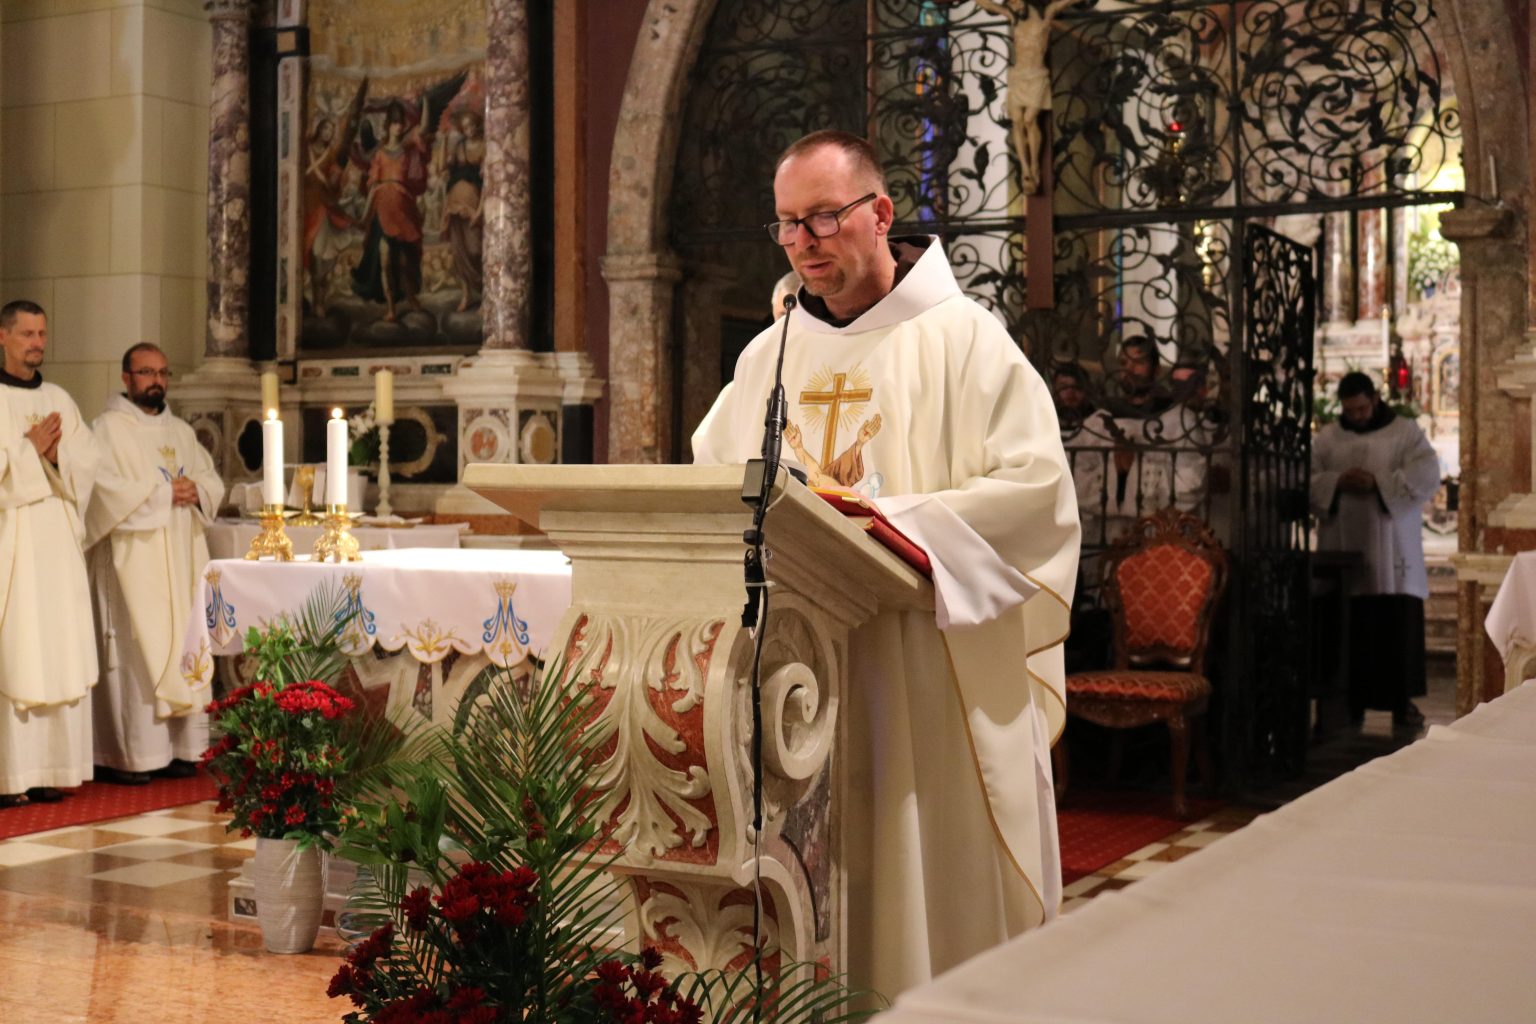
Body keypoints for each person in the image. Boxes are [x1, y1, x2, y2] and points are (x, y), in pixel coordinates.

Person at [692, 130, 1080, 997]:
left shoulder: (966, 342)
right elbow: (713, 483)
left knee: (919, 876)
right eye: (787, 224)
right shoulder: (769, 356)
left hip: (921, 672)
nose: (803, 242)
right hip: (799, 676)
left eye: (823, 218)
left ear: (880, 213)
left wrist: (883, 524)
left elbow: (1037, 496)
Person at [86, 343, 225, 785]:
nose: (157, 381)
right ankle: (132, 755)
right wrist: (165, 494)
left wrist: (197, 490)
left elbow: (211, 479)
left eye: (163, 373)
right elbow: (100, 491)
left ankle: (184, 749)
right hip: (133, 563)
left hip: (181, 558)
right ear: (126, 378)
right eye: (147, 373)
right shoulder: (107, 430)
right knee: (138, 654)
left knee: (184, 644)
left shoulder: (181, 431)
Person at [0, 300, 100, 808]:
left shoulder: (60, 398)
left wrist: (57, 454)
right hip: (13, 545)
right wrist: (28, 449)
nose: (37, 343)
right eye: (26, 334)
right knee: (17, 650)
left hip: (57, 546)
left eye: (42, 333)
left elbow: (89, 462)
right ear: (2, 337)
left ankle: (50, 769)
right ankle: (9, 775)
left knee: (57, 647)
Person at [1310, 372, 1441, 728]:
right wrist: (1337, 481)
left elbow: (1428, 472)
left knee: (1392, 630)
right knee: (1347, 629)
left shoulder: (1405, 432)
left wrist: (1378, 483)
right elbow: (1306, 477)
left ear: (1375, 400)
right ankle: (1348, 704)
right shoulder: (1328, 437)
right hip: (1342, 546)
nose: (1357, 416)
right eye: (1350, 410)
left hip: (1392, 549)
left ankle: (1400, 703)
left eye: (1362, 409)